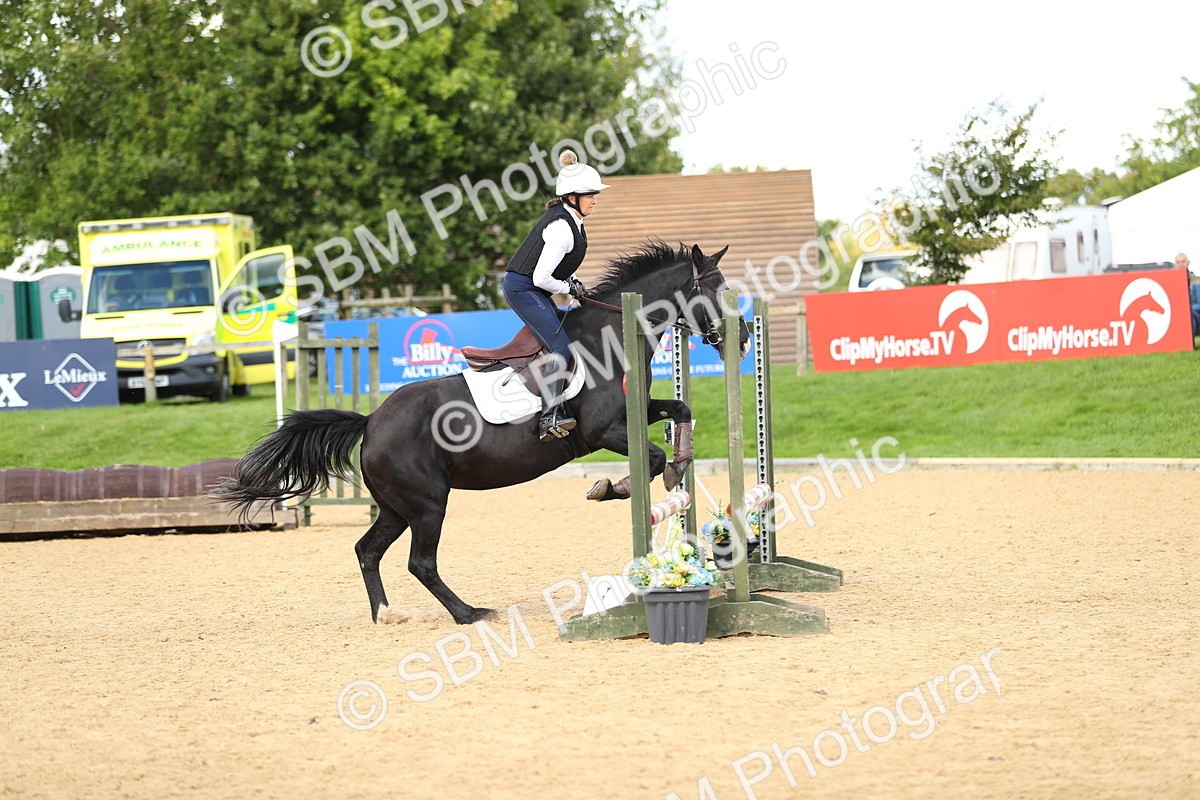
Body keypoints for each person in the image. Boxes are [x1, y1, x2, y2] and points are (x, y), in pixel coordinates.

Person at [503, 149, 610, 441]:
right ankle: (550, 415)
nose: (595, 199)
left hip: (533, 286)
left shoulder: (575, 221)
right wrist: (568, 288)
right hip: (523, 288)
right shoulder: (562, 227)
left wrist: (574, 282)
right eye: (590, 194)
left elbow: (559, 269)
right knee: (561, 347)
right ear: (572, 197)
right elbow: (541, 277)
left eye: (594, 193)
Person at [1177, 253, 1200, 336]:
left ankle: (1188, 342)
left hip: (1193, 311)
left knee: (1189, 314)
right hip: (1177, 312)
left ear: (1188, 263)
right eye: (1178, 262)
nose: (1180, 264)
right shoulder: (1171, 282)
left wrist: (1187, 309)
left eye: (1183, 261)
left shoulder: (1195, 281)